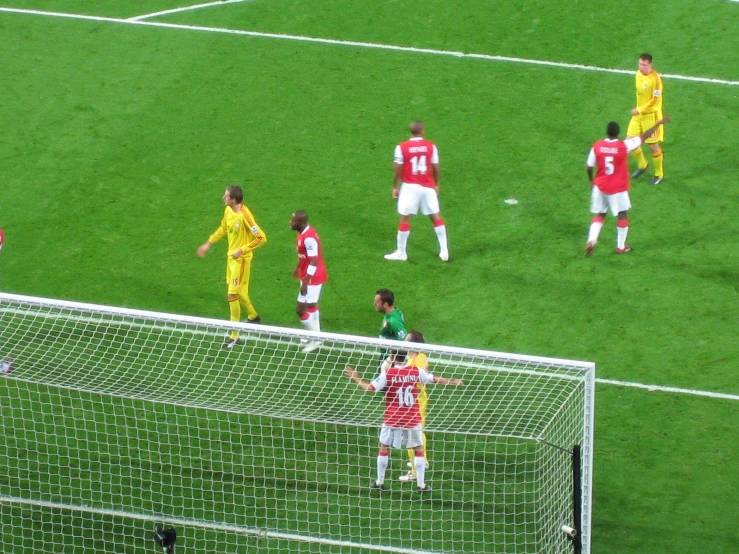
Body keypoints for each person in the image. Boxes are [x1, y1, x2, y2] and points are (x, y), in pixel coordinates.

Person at [344, 350, 463, 493]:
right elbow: (435, 379)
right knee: (418, 449)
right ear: (405, 358)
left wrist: (355, 378)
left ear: (393, 358)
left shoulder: (388, 373)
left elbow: (369, 388)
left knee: (384, 447)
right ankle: (421, 485)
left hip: (392, 417)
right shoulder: (415, 371)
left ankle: (379, 482)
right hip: (411, 417)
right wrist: (453, 381)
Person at [585, 117, 670, 256]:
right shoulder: (623, 146)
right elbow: (643, 137)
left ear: (607, 132)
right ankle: (621, 247)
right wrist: (658, 123)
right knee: (622, 214)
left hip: (600, 186)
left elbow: (589, 167)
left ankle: (592, 241)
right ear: (618, 134)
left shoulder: (597, 146)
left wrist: (591, 181)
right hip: (617, 188)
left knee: (600, 214)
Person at [197, 185, 267, 348]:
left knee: (232, 295)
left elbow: (261, 238)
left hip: (241, 260)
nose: (223, 197)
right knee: (239, 291)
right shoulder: (228, 212)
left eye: (226, 196)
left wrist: (242, 250)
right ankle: (253, 316)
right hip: (231, 258)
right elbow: (223, 229)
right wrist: (208, 243)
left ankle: (234, 336)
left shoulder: (245, 215)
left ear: (234, 199)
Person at [384, 121, 449, 262]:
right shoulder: (431, 146)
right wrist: (436, 184)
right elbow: (436, 168)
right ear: (422, 130)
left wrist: (395, 186)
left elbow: (397, 170)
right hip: (427, 186)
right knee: (435, 216)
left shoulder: (401, 147)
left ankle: (401, 252)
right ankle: (444, 251)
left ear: (410, 131)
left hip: (409, 187)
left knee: (405, 218)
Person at [290, 210, 328, 353]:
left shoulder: (308, 238)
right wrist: (298, 267)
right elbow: (305, 256)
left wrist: (306, 280)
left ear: (301, 223)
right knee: (311, 305)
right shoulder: (302, 233)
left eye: (293, 221)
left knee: (300, 309)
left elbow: (314, 259)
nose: (291, 223)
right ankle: (313, 334)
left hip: (312, 277)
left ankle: (316, 338)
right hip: (308, 275)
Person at [626, 54, 666, 185]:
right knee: (629, 142)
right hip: (638, 116)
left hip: (651, 117)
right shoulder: (637, 74)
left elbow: (654, 101)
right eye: (640, 64)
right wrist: (638, 111)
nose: (641, 67)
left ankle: (659, 174)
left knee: (652, 146)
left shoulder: (656, 79)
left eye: (644, 65)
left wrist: (639, 110)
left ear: (650, 65)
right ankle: (643, 165)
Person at [398, 331, 430, 483]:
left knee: (411, 438)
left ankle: (415, 473)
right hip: (421, 400)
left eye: (407, 340)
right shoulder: (421, 357)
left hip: (412, 404)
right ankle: (423, 460)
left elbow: (411, 380)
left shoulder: (414, 362)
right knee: (419, 432)